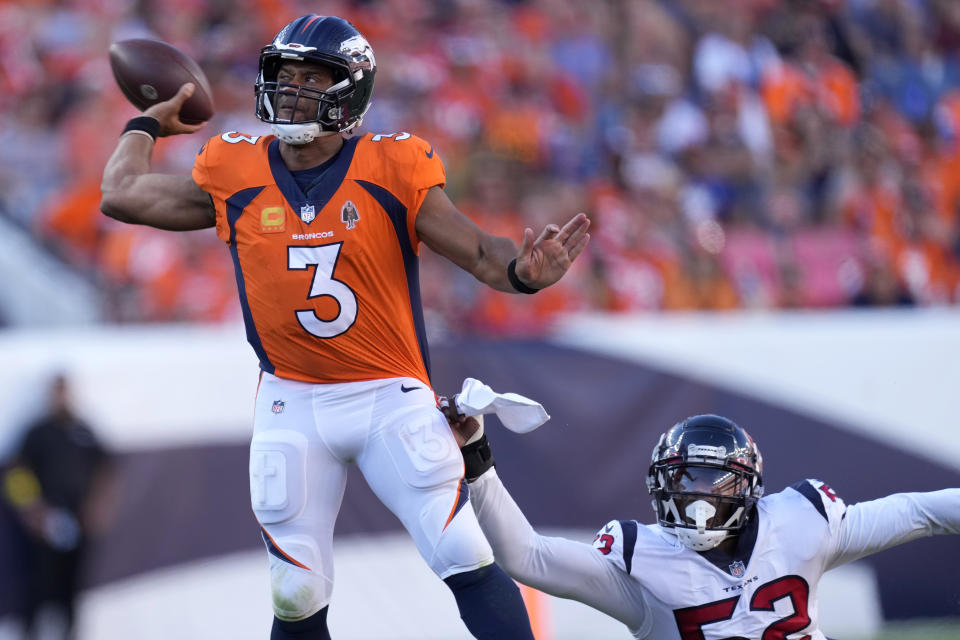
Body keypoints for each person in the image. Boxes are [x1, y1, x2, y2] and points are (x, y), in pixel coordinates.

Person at [99, 14, 590, 640]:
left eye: (312, 78)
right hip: (292, 398)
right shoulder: (234, 169)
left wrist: (525, 272)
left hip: (389, 393)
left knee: (463, 553)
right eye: (285, 75)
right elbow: (121, 194)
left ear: (349, 93)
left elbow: (480, 253)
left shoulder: (394, 165)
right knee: (296, 592)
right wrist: (145, 122)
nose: (293, 89)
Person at [445, 407, 960, 639]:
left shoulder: (802, 524)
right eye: (685, 479)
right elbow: (525, 557)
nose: (696, 497)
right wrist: (477, 454)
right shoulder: (642, 567)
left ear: (747, 488)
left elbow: (919, 512)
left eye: (714, 482)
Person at [1, 373, 113, 640]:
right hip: (47, 520)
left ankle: (70, 632)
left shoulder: (84, 429)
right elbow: (15, 470)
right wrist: (33, 509)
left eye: (64, 391)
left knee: (72, 585)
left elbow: (106, 468)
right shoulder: (38, 432)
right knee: (39, 583)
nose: (60, 397)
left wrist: (98, 506)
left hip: (79, 519)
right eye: (56, 392)